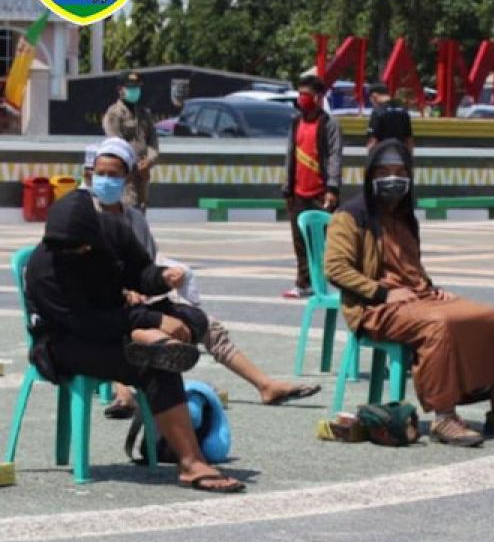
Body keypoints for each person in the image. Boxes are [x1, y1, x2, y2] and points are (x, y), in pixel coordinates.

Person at [325, 139, 494, 448]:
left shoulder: (404, 214)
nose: (394, 177)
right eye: (385, 170)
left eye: (401, 170)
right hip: (374, 307)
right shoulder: (349, 216)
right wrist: (381, 293)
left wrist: (430, 288)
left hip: (417, 297)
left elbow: (409, 265)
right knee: (438, 326)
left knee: (491, 317)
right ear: (371, 175)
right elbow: (335, 269)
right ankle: (444, 416)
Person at [23, 190, 245, 493]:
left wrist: (163, 278)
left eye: (84, 246)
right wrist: (148, 322)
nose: (76, 252)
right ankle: (191, 463)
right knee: (151, 363)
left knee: (194, 319)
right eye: (68, 249)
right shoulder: (44, 269)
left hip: (118, 319)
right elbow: (87, 324)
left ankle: (153, 343)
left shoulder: (112, 231)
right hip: (64, 342)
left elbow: (140, 273)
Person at [83, 138, 320, 418]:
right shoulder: (82, 217)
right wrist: (123, 292)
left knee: (204, 323)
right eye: (102, 174)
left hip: (139, 303)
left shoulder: (135, 220)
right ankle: (124, 393)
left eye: (114, 175)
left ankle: (265, 385)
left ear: (127, 178)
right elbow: (80, 274)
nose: (107, 181)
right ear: (90, 175)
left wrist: (165, 278)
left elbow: (146, 268)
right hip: (99, 308)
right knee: (129, 331)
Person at [282, 74, 343, 299]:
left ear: (318, 98)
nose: (301, 99)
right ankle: (304, 283)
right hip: (299, 192)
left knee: (325, 241)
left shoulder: (329, 124)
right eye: (300, 94)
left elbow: (335, 156)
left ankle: (331, 282)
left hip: (321, 193)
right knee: (300, 241)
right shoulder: (296, 122)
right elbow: (290, 154)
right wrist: (287, 188)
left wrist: (333, 188)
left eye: (306, 95)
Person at [101, 71, 157, 211]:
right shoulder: (114, 114)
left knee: (141, 212)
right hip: (125, 175)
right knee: (127, 211)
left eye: (137, 87)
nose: (135, 91)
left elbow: (153, 142)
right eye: (131, 88)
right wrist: (135, 163)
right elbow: (116, 145)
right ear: (121, 90)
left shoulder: (145, 113)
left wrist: (149, 161)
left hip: (143, 175)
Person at [366, 83, 414, 153]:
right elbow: (409, 139)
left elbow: (373, 141)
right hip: (401, 155)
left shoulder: (377, 112)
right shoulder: (403, 111)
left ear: (374, 96)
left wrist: (370, 158)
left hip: (382, 156)